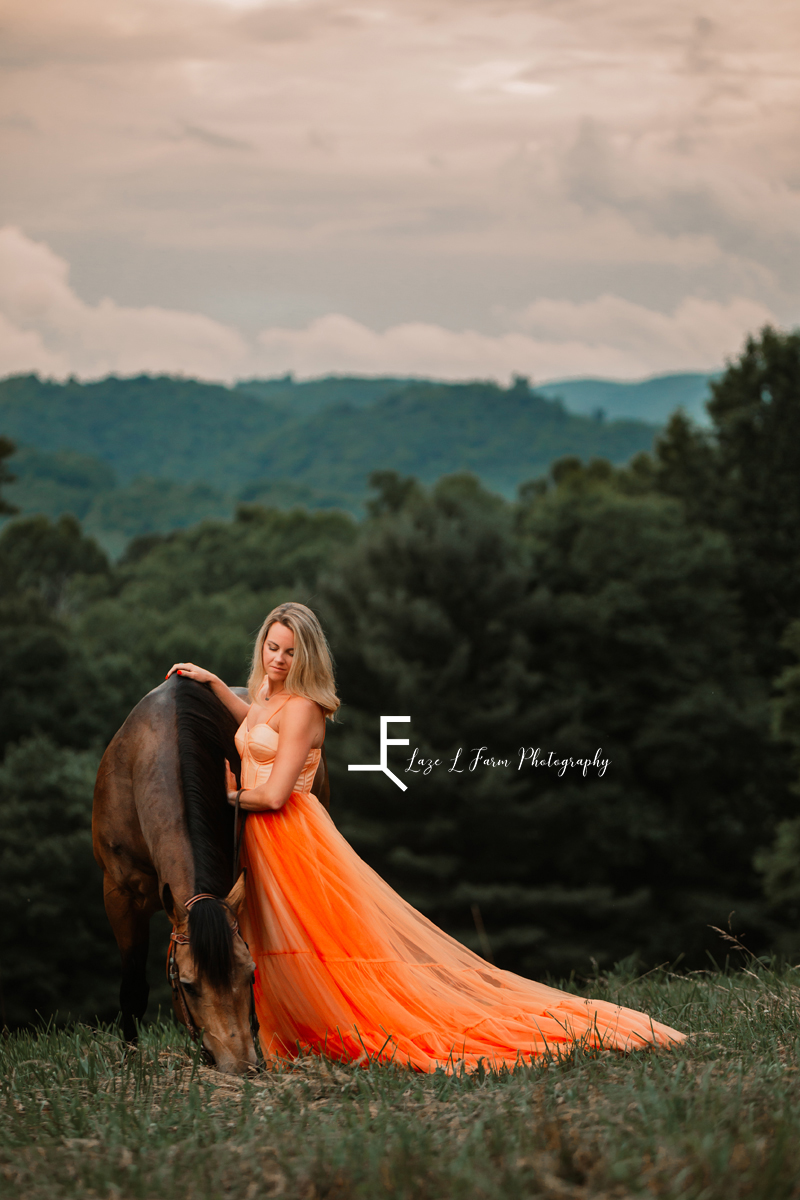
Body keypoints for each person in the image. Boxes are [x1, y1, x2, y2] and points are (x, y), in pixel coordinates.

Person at [167, 601, 684, 1071]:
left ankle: (352, 1024)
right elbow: (255, 727)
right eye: (272, 647)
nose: (278, 659)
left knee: (319, 941)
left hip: (290, 834)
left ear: (308, 657)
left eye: (290, 652)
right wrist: (214, 685)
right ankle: (294, 1029)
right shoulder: (266, 695)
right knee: (278, 942)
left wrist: (225, 798)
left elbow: (276, 793)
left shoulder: (304, 706)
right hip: (263, 840)